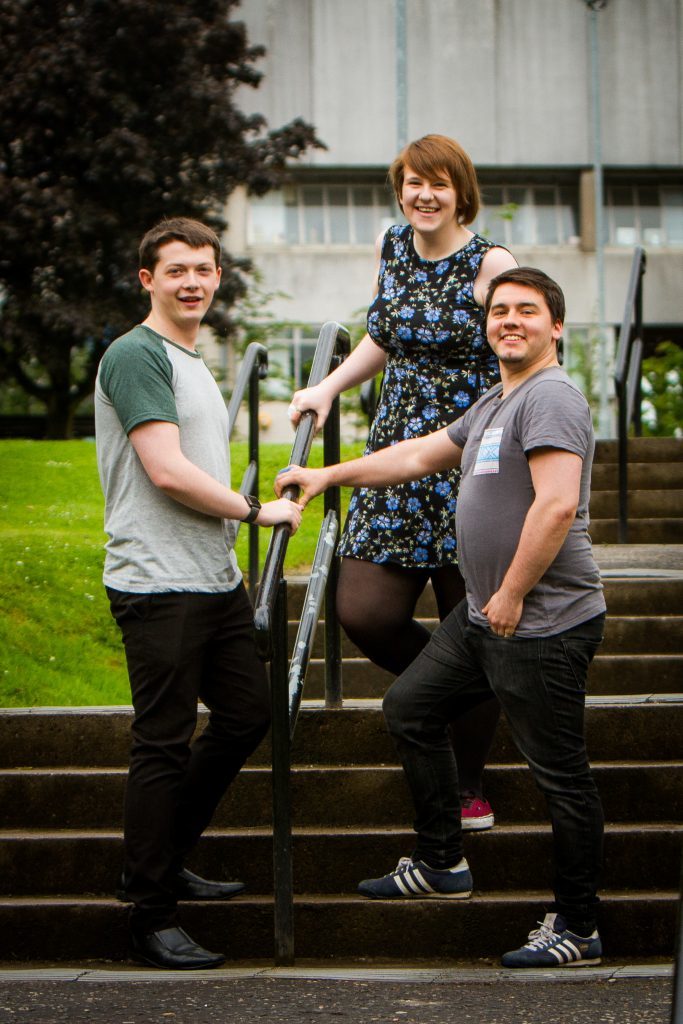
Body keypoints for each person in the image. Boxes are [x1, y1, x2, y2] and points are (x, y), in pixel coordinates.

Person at [276, 267, 606, 968]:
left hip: (539, 619)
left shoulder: (549, 397)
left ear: (555, 328)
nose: (507, 321)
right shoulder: (495, 399)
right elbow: (419, 454)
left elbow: (554, 505)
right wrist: (326, 476)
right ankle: (440, 861)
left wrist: (511, 593)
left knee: (561, 777)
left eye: (525, 311)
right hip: (487, 616)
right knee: (411, 708)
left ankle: (577, 926)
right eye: (498, 311)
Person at [289, 135, 517, 829]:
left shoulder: (491, 264)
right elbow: (381, 335)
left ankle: (466, 785)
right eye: (411, 182)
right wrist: (325, 389)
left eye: (437, 184)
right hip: (394, 456)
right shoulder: (394, 245)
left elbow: (525, 349)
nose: (422, 195)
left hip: (468, 460)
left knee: (469, 623)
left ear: (461, 191)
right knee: (364, 611)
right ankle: (441, 699)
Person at [94, 217, 302, 970]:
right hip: (157, 581)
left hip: (211, 579)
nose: (192, 281)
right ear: (146, 279)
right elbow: (166, 470)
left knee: (247, 712)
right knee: (162, 740)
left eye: (203, 269)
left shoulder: (190, 358)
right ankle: (149, 909)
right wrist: (255, 511)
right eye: (176, 269)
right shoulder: (136, 354)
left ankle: (164, 852)